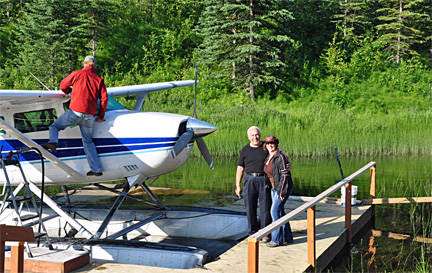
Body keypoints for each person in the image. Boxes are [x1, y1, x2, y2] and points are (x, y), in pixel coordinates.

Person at [42, 55, 108, 176]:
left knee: (54, 127)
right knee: (88, 142)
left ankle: (53, 142)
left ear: (84, 63)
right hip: (89, 116)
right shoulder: (99, 80)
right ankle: (97, 169)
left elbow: (63, 85)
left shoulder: (77, 74)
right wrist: (100, 115)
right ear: (94, 66)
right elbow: (104, 99)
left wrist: (69, 91)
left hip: (74, 112)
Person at [236, 126, 272, 241]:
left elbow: (277, 156)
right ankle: (253, 232)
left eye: (256, 135)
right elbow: (240, 168)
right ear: (248, 137)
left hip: (263, 180)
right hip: (249, 180)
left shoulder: (266, 147)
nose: (255, 137)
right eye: (252, 135)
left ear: (260, 135)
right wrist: (238, 185)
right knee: (250, 207)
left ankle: (266, 233)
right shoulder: (245, 150)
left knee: (265, 207)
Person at [262, 135, 294, 247]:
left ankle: (277, 240)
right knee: (280, 212)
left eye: (272, 143)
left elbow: (285, 175)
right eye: (268, 143)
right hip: (274, 188)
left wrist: (282, 192)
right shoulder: (269, 156)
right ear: (265, 145)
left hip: (282, 188)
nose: (270, 145)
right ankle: (288, 237)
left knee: (274, 212)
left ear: (276, 144)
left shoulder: (280, 156)